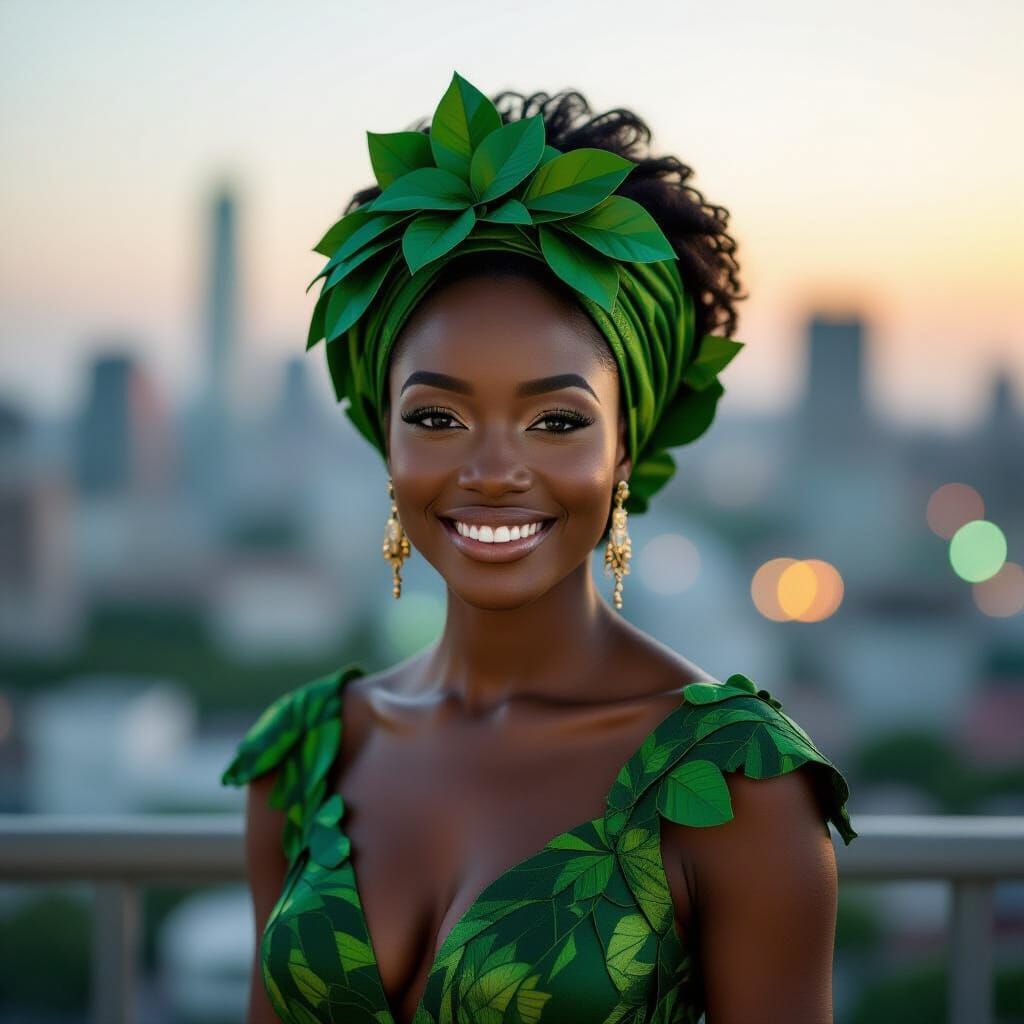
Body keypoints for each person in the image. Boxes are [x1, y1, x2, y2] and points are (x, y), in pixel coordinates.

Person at [222, 71, 858, 1024]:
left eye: (556, 421)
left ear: (625, 453)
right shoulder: (304, 758)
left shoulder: (736, 785)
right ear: (383, 443)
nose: (491, 471)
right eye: (436, 415)